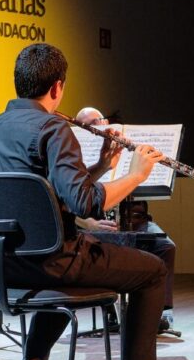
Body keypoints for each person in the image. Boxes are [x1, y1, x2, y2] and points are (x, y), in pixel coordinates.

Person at [0, 43, 176, 360]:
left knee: (61, 281)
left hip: (1, 266)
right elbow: (86, 204)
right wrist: (135, 175)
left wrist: (98, 168)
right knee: (152, 270)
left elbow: (47, 197)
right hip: (51, 262)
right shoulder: (54, 128)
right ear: (57, 87)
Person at [73, 107, 178, 333]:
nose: (96, 127)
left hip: (135, 219)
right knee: (104, 251)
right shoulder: (74, 155)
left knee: (165, 246)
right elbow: (68, 202)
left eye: (98, 121)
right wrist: (88, 223)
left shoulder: (127, 145)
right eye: (86, 125)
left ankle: (158, 313)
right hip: (98, 223)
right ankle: (111, 310)